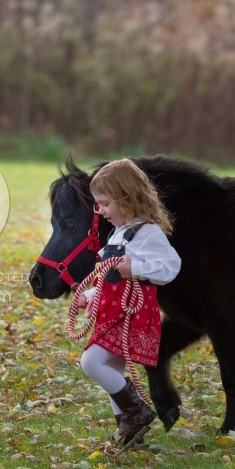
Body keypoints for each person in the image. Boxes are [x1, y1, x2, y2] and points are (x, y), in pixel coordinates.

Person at [76, 158, 181, 447]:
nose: (101, 211)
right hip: (111, 309)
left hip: (130, 313)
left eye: (106, 203)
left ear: (128, 199)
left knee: (91, 362)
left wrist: (134, 268)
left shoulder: (148, 233)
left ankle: (136, 412)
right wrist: (89, 296)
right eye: (98, 203)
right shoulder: (119, 232)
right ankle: (129, 429)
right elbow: (108, 278)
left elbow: (171, 267)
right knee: (112, 368)